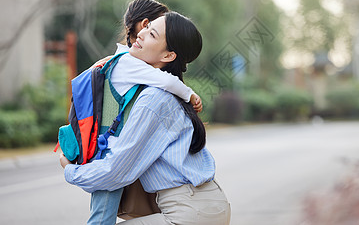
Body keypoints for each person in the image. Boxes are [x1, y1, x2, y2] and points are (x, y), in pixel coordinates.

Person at [61, 12, 231, 225]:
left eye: (152, 34)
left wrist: (70, 169)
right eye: (146, 27)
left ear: (168, 56)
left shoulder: (154, 98)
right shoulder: (170, 92)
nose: (140, 33)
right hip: (210, 204)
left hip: (187, 213)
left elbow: (115, 172)